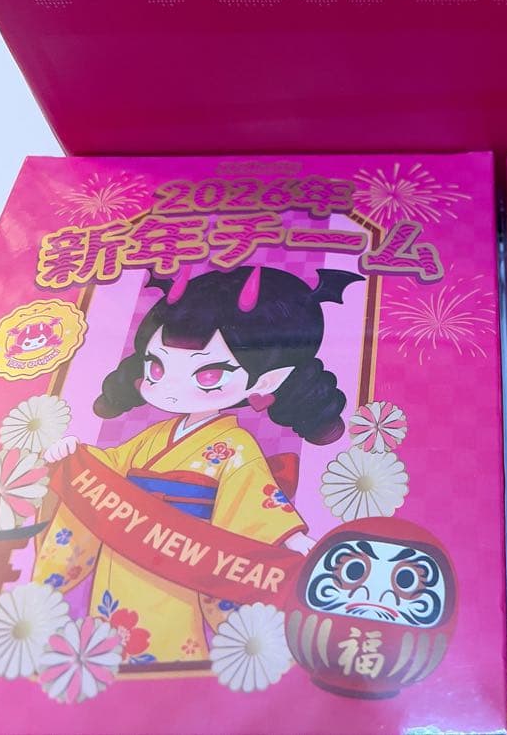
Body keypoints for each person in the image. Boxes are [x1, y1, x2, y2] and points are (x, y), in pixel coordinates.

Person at [35, 266, 362, 662]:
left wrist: (290, 538)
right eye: (157, 367)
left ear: (267, 381)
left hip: (182, 557)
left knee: (168, 637)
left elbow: (253, 498)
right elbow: (110, 467)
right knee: (106, 630)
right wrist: (77, 457)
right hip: (122, 547)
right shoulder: (154, 436)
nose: (170, 388)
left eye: (208, 374)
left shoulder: (234, 445)